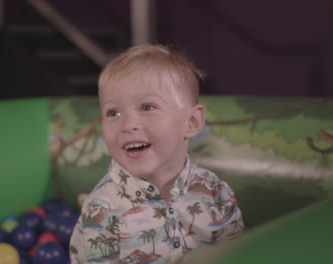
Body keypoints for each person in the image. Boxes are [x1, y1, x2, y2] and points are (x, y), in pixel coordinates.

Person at [69, 44, 244, 264]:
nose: (128, 124)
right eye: (113, 112)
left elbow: (238, 256)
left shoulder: (217, 195)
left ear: (191, 122)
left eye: (147, 107)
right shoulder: (102, 210)